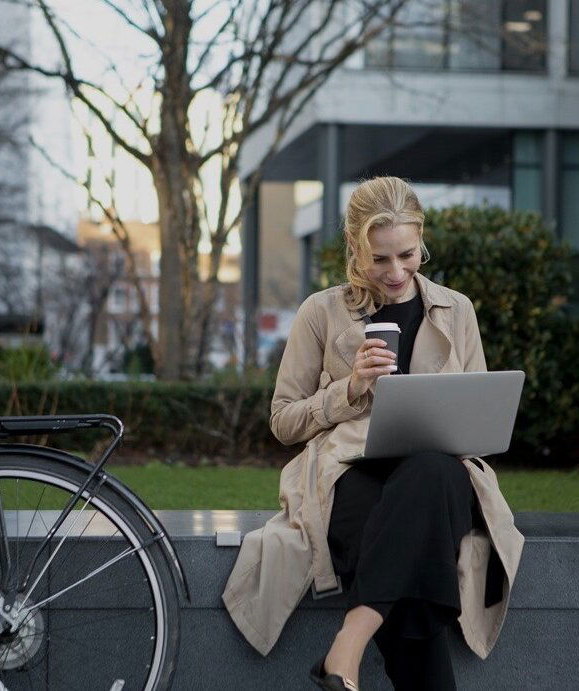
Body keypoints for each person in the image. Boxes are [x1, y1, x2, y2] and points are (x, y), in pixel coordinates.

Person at [222, 177, 524, 690]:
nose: (395, 272)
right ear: (355, 249)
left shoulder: (458, 310)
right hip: (350, 474)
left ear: (421, 240)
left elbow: (478, 416)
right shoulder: (321, 312)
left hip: (440, 475)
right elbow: (283, 419)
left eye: (407, 255)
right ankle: (347, 655)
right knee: (409, 565)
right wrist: (351, 387)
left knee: (430, 472)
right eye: (379, 259)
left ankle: (348, 646)